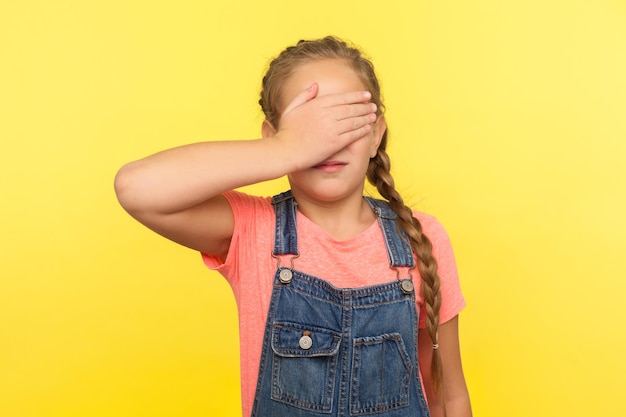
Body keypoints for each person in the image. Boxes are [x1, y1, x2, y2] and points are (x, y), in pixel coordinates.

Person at [115, 36, 472, 417]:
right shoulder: (255, 230)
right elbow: (136, 188)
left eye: (345, 123)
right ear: (276, 137)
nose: (328, 143)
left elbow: (446, 396)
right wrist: (288, 149)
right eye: (312, 127)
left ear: (375, 134)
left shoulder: (421, 238)